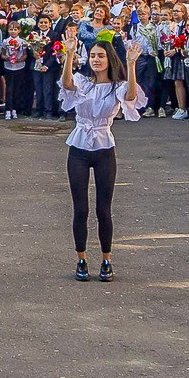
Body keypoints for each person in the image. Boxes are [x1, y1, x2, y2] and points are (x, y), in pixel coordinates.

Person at [61, 28, 146, 283]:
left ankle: (106, 259)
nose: (96, 60)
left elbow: (130, 96)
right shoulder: (83, 81)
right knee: (80, 208)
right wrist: (69, 55)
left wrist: (131, 64)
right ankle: (81, 258)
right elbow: (67, 84)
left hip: (104, 148)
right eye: (92, 56)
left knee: (103, 209)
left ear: (109, 59)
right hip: (78, 147)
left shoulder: (117, 86)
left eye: (100, 56)